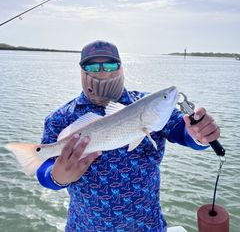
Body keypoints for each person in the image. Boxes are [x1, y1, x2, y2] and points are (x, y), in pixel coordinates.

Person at [37, 40, 220, 232]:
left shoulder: (147, 104)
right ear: (82, 70)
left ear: (120, 67)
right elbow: (43, 166)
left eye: (109, 64)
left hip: (147, 226)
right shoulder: (60, 118)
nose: (102, 72)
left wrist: (200, 134)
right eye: (92, 66)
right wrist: (57, 177)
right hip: (85, 227)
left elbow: (182, 131)